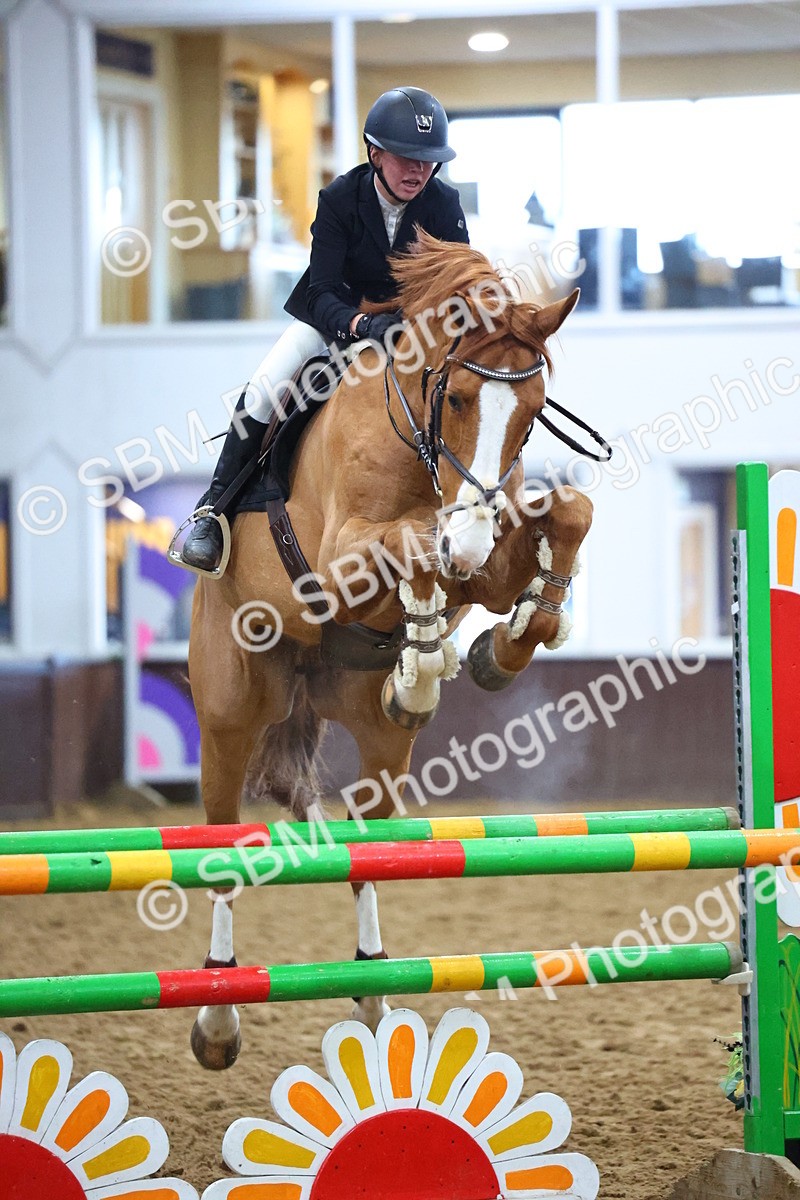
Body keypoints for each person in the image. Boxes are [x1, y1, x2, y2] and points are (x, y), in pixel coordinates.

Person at [181, 85, 469, 572]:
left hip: (411, 332)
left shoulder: (443, 202)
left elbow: (458, 283)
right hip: (337, 321)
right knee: (267, 385)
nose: (419, 170)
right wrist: (361, 324)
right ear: (375, 153)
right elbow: (320, 291)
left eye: (428, 160)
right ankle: (212, 512)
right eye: (406, 158)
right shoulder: (339, 199)